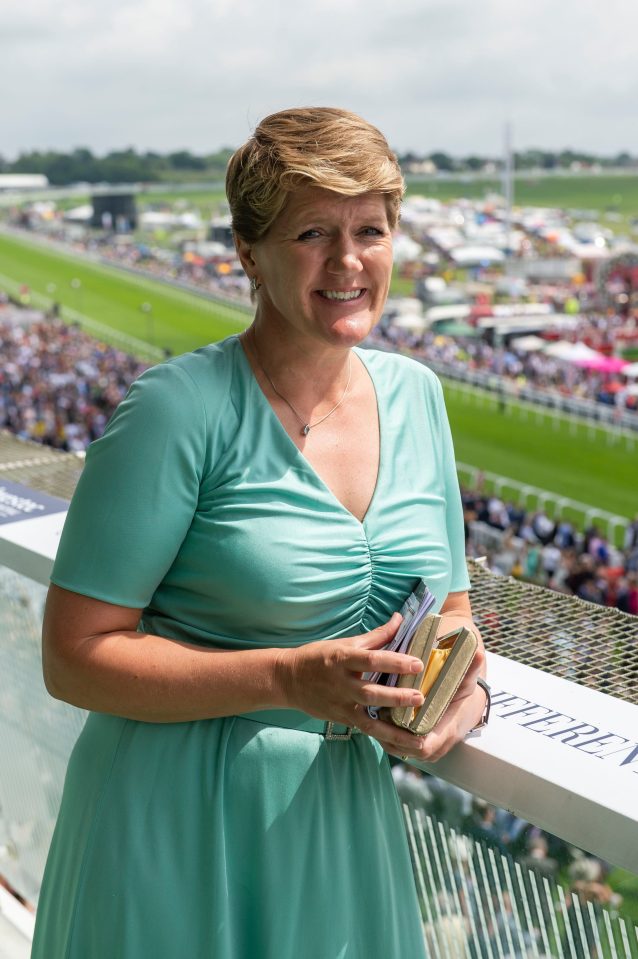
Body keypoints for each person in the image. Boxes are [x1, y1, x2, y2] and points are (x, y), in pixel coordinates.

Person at [31, 107, 487, 959]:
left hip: (340, 818)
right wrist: (287, 676)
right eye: (312, 231)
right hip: (172, 822)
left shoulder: (419, 396)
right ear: (248, 251)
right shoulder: (176, 410)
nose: (348, 261)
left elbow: (451, 605)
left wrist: (466, 684)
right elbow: (72, 655)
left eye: (370, 231)